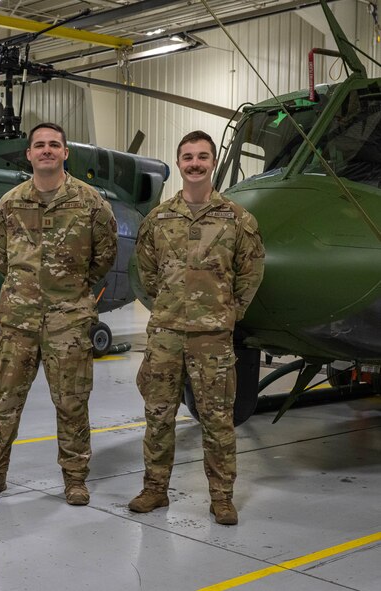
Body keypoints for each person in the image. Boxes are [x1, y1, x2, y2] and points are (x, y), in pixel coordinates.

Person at [0, 123, 118, 506]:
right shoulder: (10, 204)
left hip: (68, 322)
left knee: (72, 403)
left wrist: (68, 290)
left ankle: (75, 480)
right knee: (6, 401)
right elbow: (0, 255)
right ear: (30, 154)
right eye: (40, 145)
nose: (47, 150)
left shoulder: (90, 204)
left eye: (54, 145)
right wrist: (27, 289)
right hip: (18, 321)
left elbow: (104, 256)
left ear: (65, 153)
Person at [129, 130, 265, 525]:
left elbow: (251, 272)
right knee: (158, 416)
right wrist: (169, 307)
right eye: (188, 157)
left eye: (202, 157)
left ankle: (221, 498)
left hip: (213, 338)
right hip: (166, 336)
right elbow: (148, 273)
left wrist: (229, 311)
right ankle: (155, 490)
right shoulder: (159, 219)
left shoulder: (237, 219)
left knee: (217, 419)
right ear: (179, 162)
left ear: (212, 163)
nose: (195, 164)